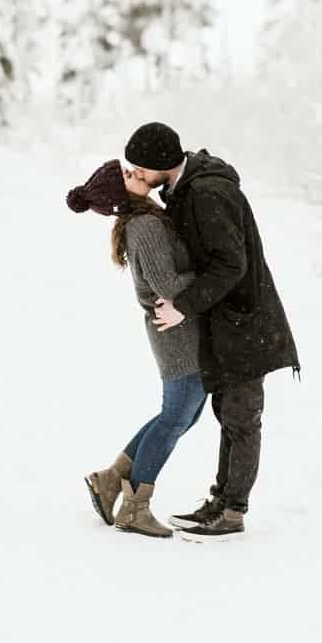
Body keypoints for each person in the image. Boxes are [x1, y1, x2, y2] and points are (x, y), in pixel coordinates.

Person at [123, 122, 300, 540]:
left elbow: (230, 264)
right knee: (229, 415)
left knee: (241, 418)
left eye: (138, 169)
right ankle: (220, 501)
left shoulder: (206, 193)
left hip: (245, 320)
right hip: (225, 320)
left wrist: (183, 306)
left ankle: (232, 510)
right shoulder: (186, 190)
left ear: (158, 165)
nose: (136, 176)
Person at [66, 159, 206, 539]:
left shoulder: (146, 219)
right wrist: (212, 276)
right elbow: (168, 285)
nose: (136, 173)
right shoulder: (144, 225)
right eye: (128, 176)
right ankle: (134, 508)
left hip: (179, 331)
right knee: (175, 418)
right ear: (119, 195)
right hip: (176, 335)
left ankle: (110, 480)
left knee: (181, 417)